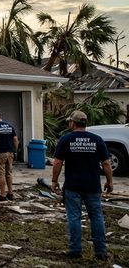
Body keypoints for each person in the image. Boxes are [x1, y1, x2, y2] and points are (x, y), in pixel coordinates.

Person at [51, 110, 112, 260]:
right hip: (93, 186)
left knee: (74, 217)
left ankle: (75, 250)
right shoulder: (97, 140)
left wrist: (54, 180)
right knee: (97, 217)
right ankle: (101, 252)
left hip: (73, 186)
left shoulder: (66, 139)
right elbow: (106, 163)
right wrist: (109, 181)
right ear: (85, 123)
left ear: (72, 123)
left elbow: (58, 162)